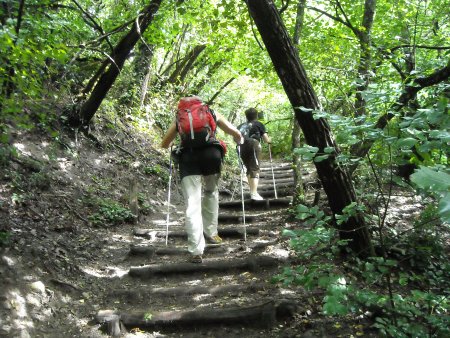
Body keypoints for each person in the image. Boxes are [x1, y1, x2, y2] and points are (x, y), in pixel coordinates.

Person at [161, 96, 243, 263]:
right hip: (212, 155)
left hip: (188, 158)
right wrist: (239, 139)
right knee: (211, 192)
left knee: (192, 203)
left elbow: (165, 143)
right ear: (201, 104)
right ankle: (211, 233)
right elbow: (236, 132)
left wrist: (174, 145)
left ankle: (196, 250)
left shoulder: (179, 118)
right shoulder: (210, 112)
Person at [237, 108, 271, 200]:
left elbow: (235, 138)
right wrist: (269, 141)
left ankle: (252, 191)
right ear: (256, 115)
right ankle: (254, 193)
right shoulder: (259, 124)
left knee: (249, 168)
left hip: (241, 145)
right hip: (254, 144)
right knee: (255, 168)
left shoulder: (240, 126)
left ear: (246, 116)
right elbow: (266, 139)